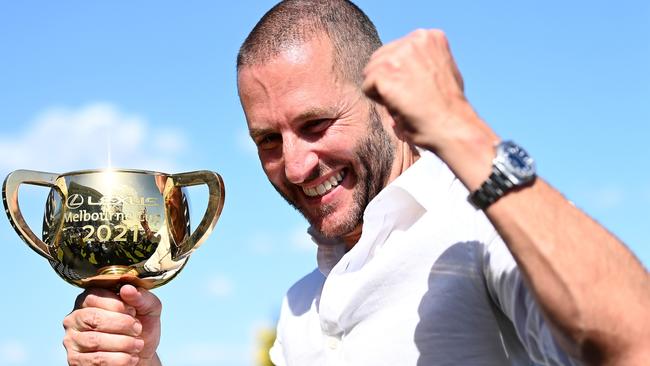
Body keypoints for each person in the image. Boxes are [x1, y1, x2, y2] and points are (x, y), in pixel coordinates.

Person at [62, 1, 650, 365]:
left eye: (316, 125)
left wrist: (462, 131)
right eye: (269, 139)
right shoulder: (301, 306)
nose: (294, 166)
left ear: (382, 105)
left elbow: (633, 342)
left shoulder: (479, 230)